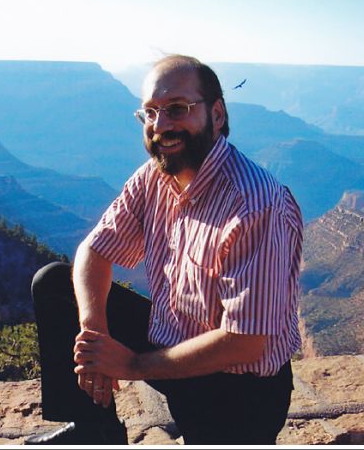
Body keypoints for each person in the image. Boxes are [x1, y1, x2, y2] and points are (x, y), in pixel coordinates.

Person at [27, 54, 303, 445]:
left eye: (177, 109)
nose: (161, 126)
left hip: (236, 389)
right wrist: (95, 336)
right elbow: (94, 250)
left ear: (217, 114)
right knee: (54, 282)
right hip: (169, 340)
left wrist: (132, 364)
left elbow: (245, 341)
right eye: (151, 113)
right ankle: (94, 430)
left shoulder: (256, 205)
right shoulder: (155, 177)